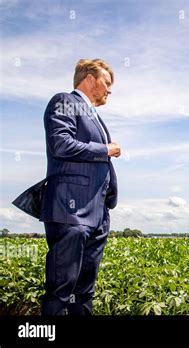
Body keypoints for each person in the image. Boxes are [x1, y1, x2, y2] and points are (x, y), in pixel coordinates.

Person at [20, 59, 120, 315]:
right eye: (106, 83)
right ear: (89, 78)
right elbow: (61, 144)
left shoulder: (93, 115)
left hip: (97, 214)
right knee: (61, 292)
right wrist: (105, 149)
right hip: (70, 211)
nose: (110, 90)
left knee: (84, 292)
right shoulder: (64, 101)